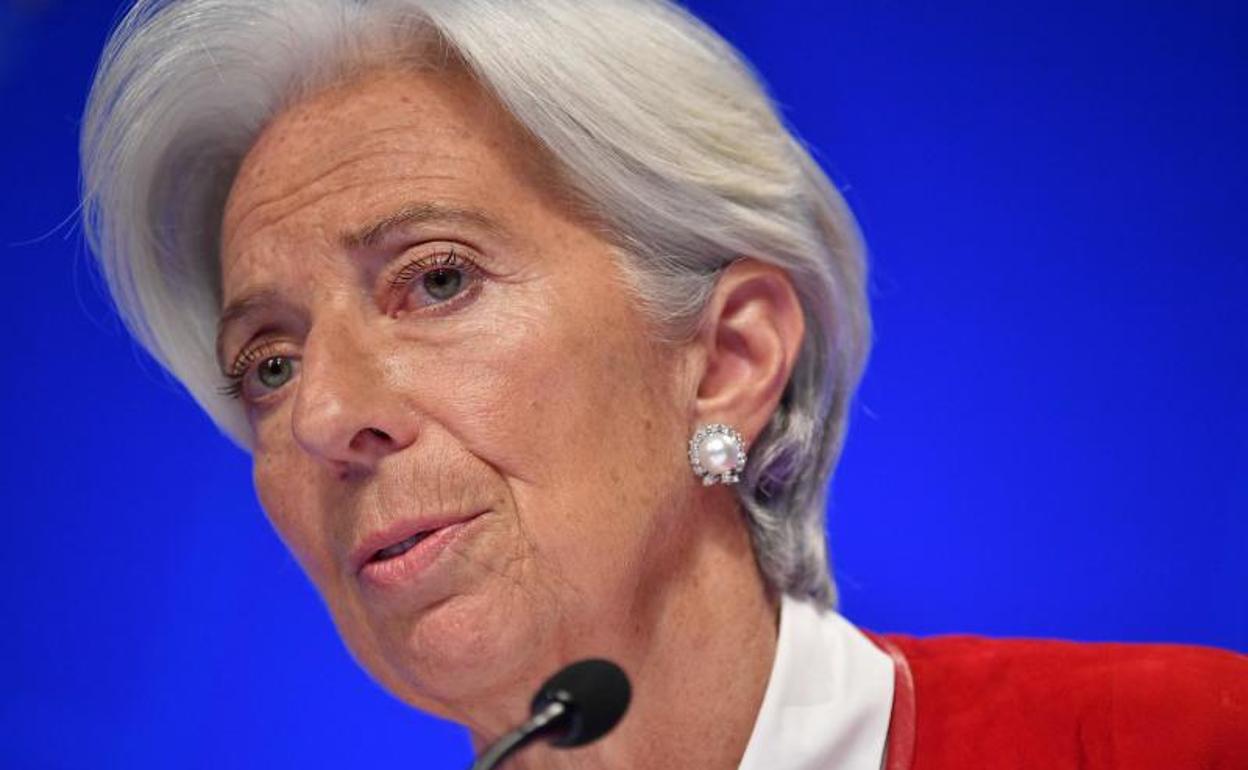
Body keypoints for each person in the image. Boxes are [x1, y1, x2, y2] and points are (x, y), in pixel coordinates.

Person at [80, 1, 1247, 768]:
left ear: (730, 358)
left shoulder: (1174, 742)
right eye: (271, 363)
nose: (325, 414)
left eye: (436, 279)